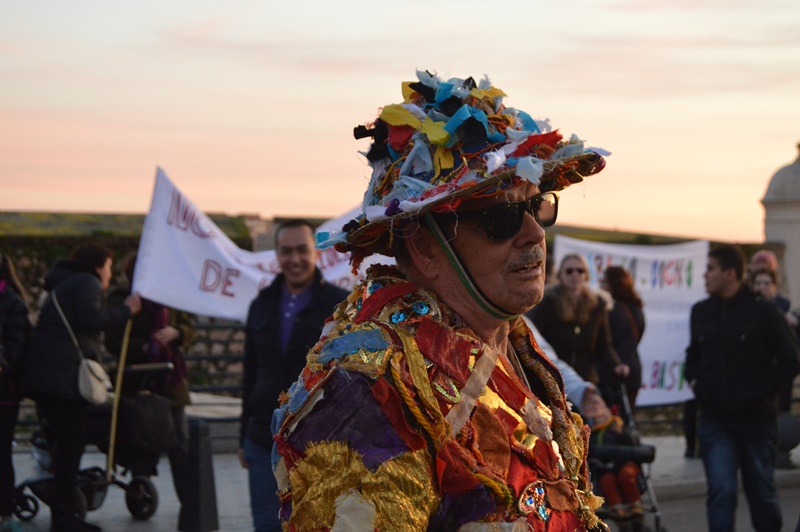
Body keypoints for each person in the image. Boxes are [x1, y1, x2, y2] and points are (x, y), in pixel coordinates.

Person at [272, 71, 609, 529]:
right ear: (426, 246)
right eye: (501, 216)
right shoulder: (367, 391)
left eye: (537, 206)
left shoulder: (512, 342)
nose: (534, 233)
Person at [20, 244, 142, 532]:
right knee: (72, 446)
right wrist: (127, 309)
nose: (110, 275)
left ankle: (63, 517)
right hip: (62, 380)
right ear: (98, 266)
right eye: (109, 268)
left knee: (63, 446)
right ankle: (65, 521)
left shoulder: (63, 283)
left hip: (45, 376)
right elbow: (92, 321)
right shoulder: (86, 282)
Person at [239, 219, 349, 532]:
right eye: (286, 251)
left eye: (302, 250)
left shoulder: (340, 305)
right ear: (277, 254)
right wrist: (241, 437)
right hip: (262, 435)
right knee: (267, 524)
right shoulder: (260, 305)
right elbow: (250, 371)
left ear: (316, 252)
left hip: (318, 438)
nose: (295, 258)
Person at [685, 244, 800, 532]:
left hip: (757, 422)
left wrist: (765, 392)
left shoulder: (763, 313)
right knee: (721, 492)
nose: (705, 275)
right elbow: (693, 357)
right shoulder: (701, 311)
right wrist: (698, 383)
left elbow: (791, 358)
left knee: (762, 494)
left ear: (730, 273)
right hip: (715, 421)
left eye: (711, 269)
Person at [105, 253, 194, 527]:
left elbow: (189, 328)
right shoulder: (123, 299)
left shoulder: (171, 296)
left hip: (170, 381)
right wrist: (142, 347)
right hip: (138, 382)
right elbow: (112, 339)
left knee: (180, 442)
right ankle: (140, 491)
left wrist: (176, 333)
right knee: (140, 439)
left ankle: (190, 502)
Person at [528, 253, 629, 386]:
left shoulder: (597, 305)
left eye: (580, 271)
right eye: (569, 271)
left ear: (586, 275)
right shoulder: (547, 303)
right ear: (560, 276)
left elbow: (604, 344)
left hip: (585, 379)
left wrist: (617, 365)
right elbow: (534, 341)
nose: (575, 274)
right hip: (551, 380)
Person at [0, 255, 32, 532]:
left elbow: (17, 350)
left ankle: (4, 513)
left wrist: (3, 363)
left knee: (1, 452)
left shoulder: (12, 303)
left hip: (3, 393)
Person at [598, 266, 645, 417]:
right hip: (633, 371)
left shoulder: (611, 309)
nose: (600, 285)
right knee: (628, 419)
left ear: (613, 284)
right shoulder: (636, 308)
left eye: (604, 281)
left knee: (613, 425)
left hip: (613, 374)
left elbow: (604, 342)